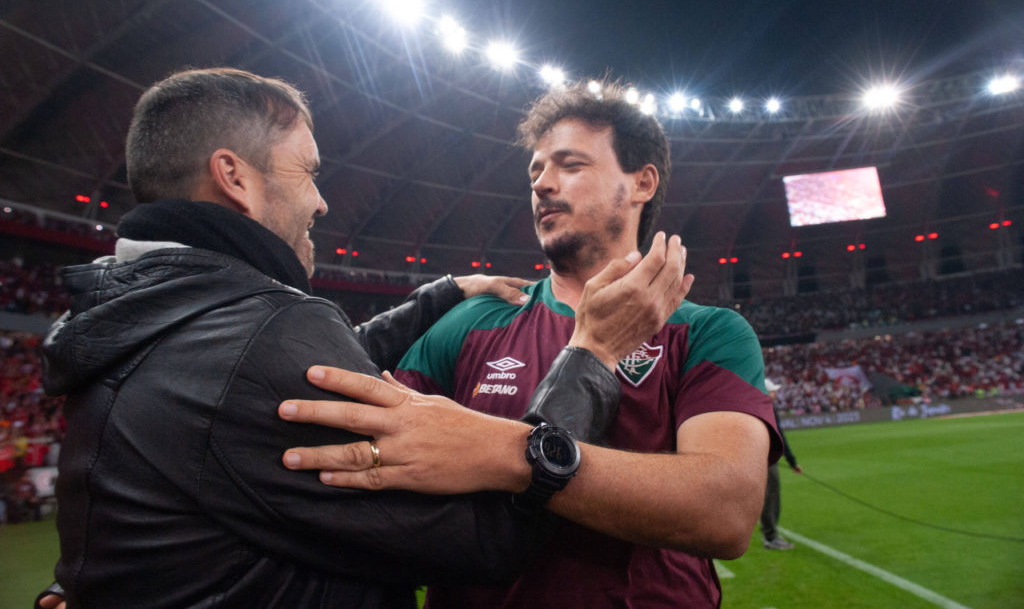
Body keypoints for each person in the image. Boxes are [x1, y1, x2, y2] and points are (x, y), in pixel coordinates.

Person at [37, 68, 689, 608]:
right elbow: (494, 539)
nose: (321, 201)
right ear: (235, 177)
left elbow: (296, 372)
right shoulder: (267, 328)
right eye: (307, 171)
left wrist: (441, 293)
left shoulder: (127, 314)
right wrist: (593, 353)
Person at [279, 80, 785, 607]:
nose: (542, 184)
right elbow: (373, 458)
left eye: (569, 165)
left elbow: (724, 513)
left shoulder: (710, 331)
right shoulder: (474, 320)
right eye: (536, 170)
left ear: (642, 183)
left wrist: (499, 451)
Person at [761, 378, 802, 550]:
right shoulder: (767, 408)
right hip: (768, 459)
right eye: (773, 391)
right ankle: (771, 537)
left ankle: (769, 533)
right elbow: (780, 437)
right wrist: (792, 461)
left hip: (759, 458)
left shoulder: (755, 407)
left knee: (766, 496)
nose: (775, 394)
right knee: (771, 496)